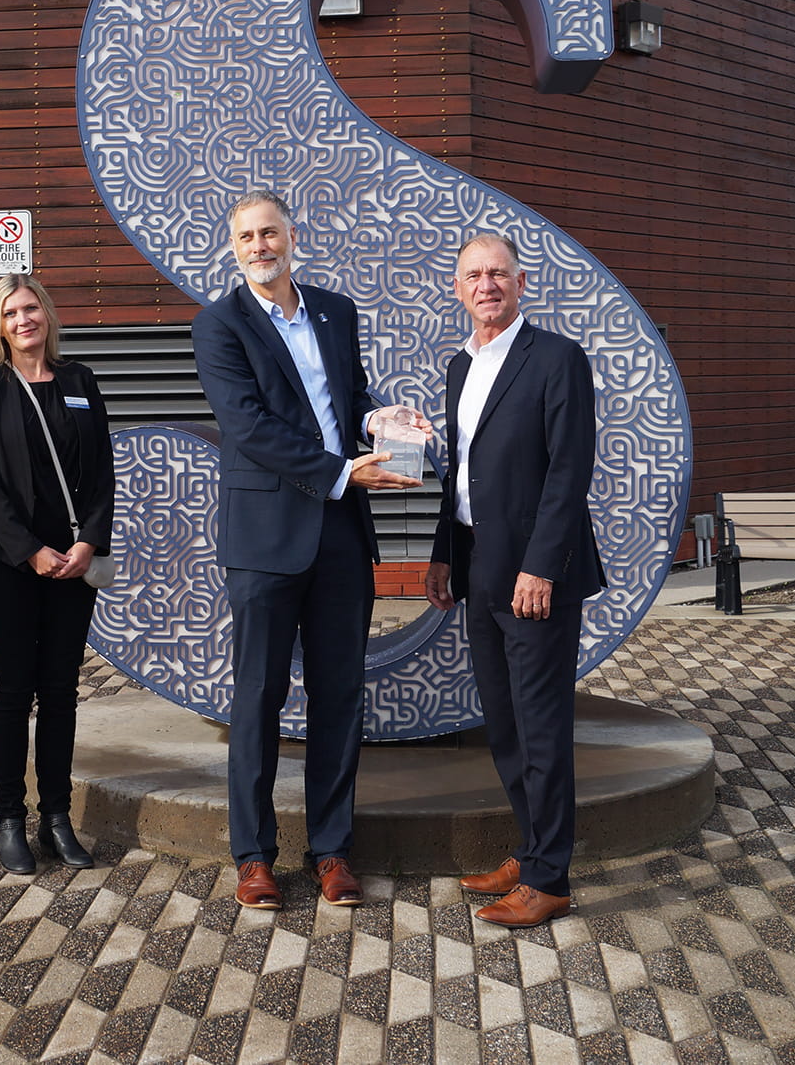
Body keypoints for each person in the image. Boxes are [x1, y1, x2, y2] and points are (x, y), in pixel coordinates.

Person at [191, 190, 428, 911]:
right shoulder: (219, 324)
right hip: (265, 538)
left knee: (338, 695)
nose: (260, 245)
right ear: (233, 247)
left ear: (293, 235)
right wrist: (341, 470)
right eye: (246, 236)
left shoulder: (334, 309)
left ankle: (331, 849)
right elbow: (249, 426)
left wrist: (378, 418)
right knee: (258, 695)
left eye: (269, 232)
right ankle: (254, 855)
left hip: (341, 536)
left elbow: (345, 398)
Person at [424, 232, 605, 928]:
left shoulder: (557, 358)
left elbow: (569, 471)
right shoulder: (458, 366)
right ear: (458, 287)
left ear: (521, 283)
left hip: (535, 573)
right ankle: (530, 852)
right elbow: (460, 475)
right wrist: (443, 552)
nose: (486, 284)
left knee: (541, 725)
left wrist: (540, 565)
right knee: (502, 720)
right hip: (476, 564)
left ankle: (551, 877)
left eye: (498, 273)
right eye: (473, 274)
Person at [0, 275, 114, 875]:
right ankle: (9, 820)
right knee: (13, 690)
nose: (24, 320)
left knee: (62, 691)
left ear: (47, 314)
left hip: (74, 562)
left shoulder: (79, 381)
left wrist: (87, 540)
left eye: (32, 309)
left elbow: (101, 471)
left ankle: (57, 818)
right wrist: (30, 551)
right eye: (11, 312)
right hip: (8, 565)